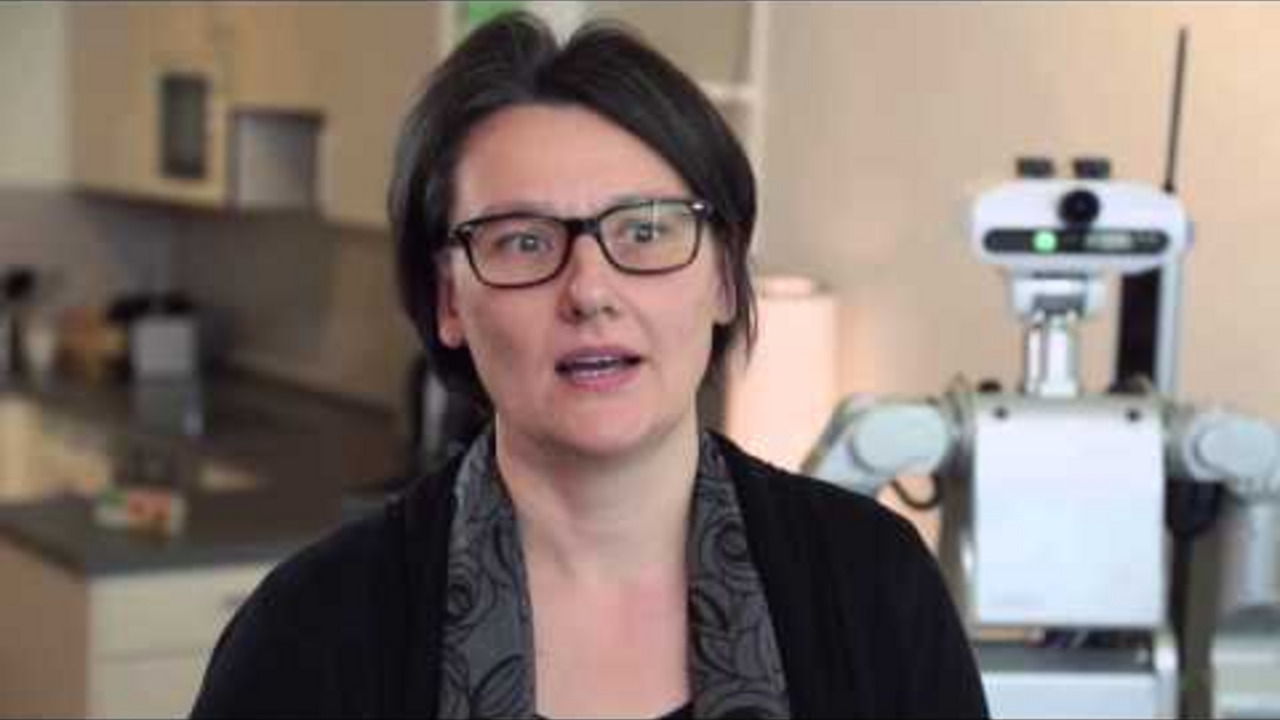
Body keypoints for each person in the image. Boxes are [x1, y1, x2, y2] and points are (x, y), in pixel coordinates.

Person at [191, 12, 987, 720]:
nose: (589, 292)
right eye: (523, 241)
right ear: (447, 300)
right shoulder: (313, 631)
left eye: (645, 231)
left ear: (723, 275)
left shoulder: (872, 587)